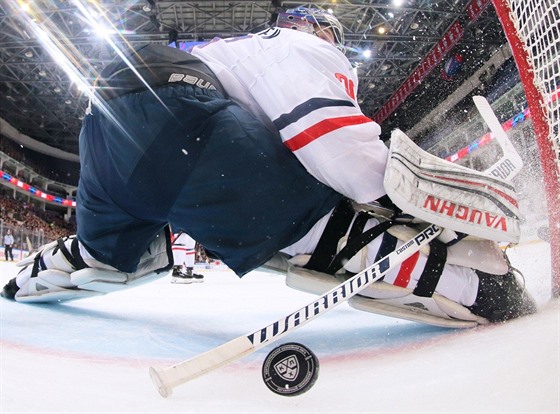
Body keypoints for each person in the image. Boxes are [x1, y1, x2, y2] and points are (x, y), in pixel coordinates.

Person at [1, 7, 535, 325]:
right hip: (178, 126)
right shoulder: (301, 47)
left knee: (100, 254)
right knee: (324, 229)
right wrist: (402, 202)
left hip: (103, 136)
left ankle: (23, 286)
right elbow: (333, 143)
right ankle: (484, 291)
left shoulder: (231, 50)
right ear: (321, 31)